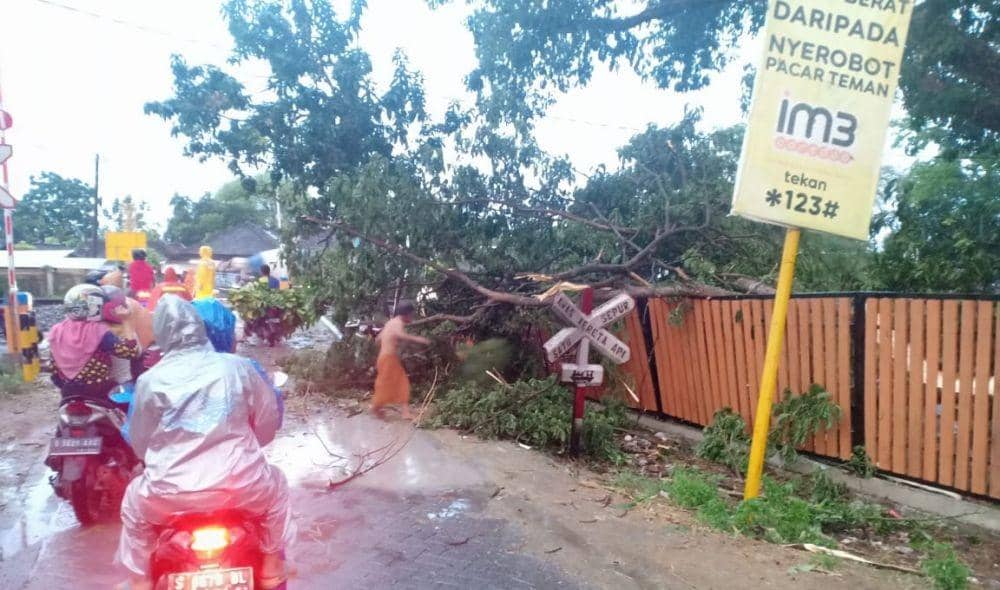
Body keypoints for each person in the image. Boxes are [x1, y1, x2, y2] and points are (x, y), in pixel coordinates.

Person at [116, 296, 291, 590]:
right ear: (199, 327)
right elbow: (267, 424)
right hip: (242, 488)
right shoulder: (239, 367)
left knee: (133, 503)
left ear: (160, 332)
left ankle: (140, 580)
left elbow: (139, 443)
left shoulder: (149, 380)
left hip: (167, 495)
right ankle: (272, 567)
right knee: (278, 484)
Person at [48, 284, 141, 403]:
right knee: (126, 404)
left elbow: (54, 371)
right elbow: (130, 352)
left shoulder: (56, 330)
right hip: (99, 391)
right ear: (94, 307)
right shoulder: (98, 330)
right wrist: (127, 320)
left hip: (68, 393)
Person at [372, 300, 430, 420]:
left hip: (383, 358)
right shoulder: (398, 322)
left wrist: (390, 343)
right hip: (388, 358)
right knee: (398, 383)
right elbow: (400, 334)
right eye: (411, 314)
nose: (412, 317)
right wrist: (418, 339)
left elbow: (377, 339)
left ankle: (380, 407)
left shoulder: (390, 323)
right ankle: (378, 406)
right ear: (406, 314)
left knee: (394, 382)